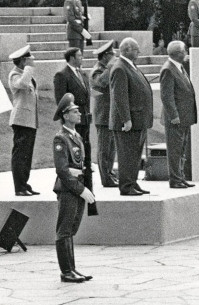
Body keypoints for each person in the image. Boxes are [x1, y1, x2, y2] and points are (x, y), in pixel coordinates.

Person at [53, 94, 96, 284]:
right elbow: (62, 170)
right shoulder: (60, 139)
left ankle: (72, 268)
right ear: (65, 115)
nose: (79, 113)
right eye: (74, 111)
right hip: (69, 188)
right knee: (64, 230)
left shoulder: (76, 136)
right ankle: (66, 271)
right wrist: (80, 190)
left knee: (72, 229)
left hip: (77, 185)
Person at [109, 38, 154, 196]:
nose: (139, 52)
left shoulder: (131, 66)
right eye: (136, 49)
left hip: (138, 120)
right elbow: (120, 97)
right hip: (128, 122)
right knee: (127, 155)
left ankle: (133, 182)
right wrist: (126, 120)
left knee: (135, 155)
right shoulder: (120, 68)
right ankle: (126, 186)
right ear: (127, 50)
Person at [160, 41, 197, 189]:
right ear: (178, 53)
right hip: (176, 118)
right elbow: (166, 96)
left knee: (181, 149)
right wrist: (174, 115)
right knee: (175, 149)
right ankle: (175, 179)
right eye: (184, 50)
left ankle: (180, 177)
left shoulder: (179, 67)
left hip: (185, 117)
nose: (186, 52)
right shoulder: (168, 70)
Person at [53, 47, 92, 183]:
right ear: (72, 58)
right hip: (73, 122)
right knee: (74, 155)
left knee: (85, 154)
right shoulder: (62, 75)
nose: (82, 58)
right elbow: (61, 102)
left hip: (84, 119)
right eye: (79, 56)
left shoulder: (82, 74)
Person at [8, 45, 40, 197]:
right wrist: (27, 69)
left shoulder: (26, 75)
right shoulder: (15, 74)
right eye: (28, 59)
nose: (32, 61)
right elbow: (20, 84)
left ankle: (24, 183)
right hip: (21, 120)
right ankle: (19, 187)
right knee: (20, 154)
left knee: (27, 155)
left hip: (30, 120)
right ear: (22, 61)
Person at [91, 41, 119, 189]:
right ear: (105, 56)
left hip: (111, 115)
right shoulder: (97, 70)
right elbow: (101, 82)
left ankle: (110, 174)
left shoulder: (108, 68)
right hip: (103, 115)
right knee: (104, 149)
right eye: (111, 54)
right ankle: (105, 177)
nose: (114, 57)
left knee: (111, 148)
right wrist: (110, 66)